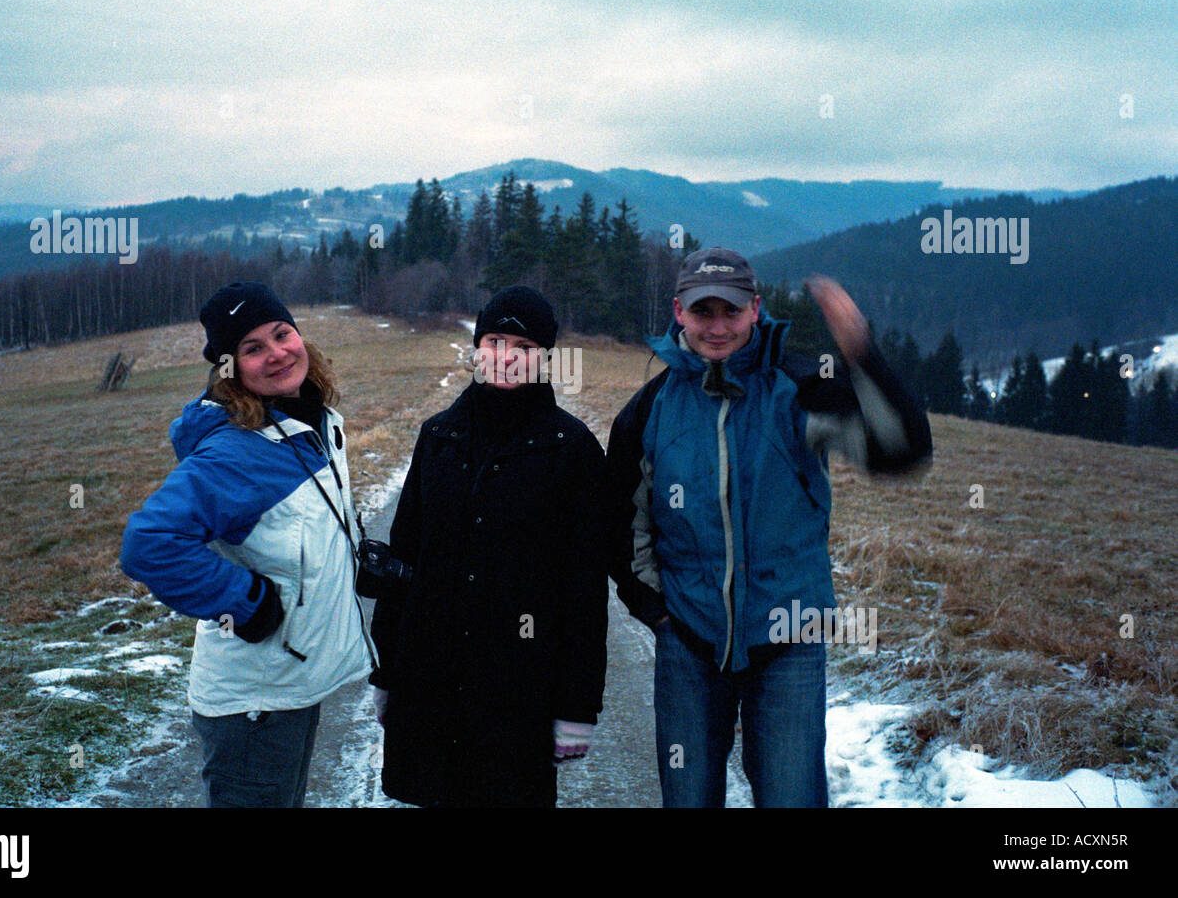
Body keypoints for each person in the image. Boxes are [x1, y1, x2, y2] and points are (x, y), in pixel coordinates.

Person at [606, 248, 932, 807]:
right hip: (689, 640)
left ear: (755, 309)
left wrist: (862, 353)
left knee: (791, 797)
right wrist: (657, 611)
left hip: (790, 639)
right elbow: (621, 521)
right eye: (701, 311)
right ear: (678, 312)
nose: (716, 326)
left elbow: (901, 451)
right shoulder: (650, 407)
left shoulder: (799, 387)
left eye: (730, 311)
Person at [120, 281, 375, 807]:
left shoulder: (308, 419)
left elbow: (294, 525)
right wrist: (247, 602)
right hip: (255, 700)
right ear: (230, 369)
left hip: (291, 681)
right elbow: (149, 543)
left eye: (282, 334)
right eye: (253, 348)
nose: (277, 353)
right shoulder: (238, 449)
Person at [368, 286, 609, 807]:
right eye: (495, 340)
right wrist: (387, 671)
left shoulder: (572, 451)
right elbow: (402, 561)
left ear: (545, 357)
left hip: (519, 689)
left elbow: (585, 590)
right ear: (476, 348)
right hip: (429, 681)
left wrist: (577, 706)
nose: (505, 358)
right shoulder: (438, 436)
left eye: (523, 346)